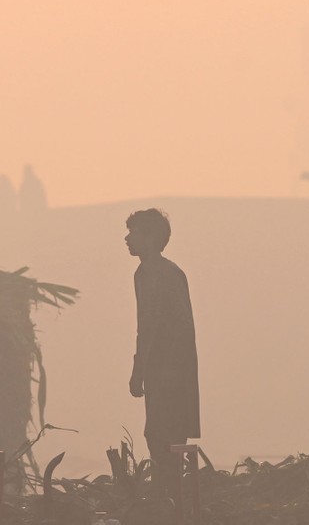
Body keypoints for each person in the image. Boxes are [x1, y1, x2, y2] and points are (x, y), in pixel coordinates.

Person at [125, 208, 200, 503]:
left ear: (152, 238)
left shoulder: (171, 274)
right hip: (155, 370)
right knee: (154, 434)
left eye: (135, 233)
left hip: (174, 371)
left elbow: (183, 328)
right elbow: (144, 326)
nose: (127, 238)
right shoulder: (142, 275)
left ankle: (171, 500)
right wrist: (138, 369)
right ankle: (162, 498)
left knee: (168, 435)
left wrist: (168, 369)